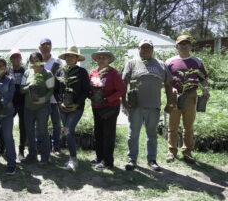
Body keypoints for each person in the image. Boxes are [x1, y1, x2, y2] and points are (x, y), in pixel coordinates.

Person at [122, 39, 174, 172]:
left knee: (152, 134)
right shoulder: (132, 63)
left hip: (154, 105)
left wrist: (170, 102)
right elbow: (123, 83)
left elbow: (168, 85)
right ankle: (132, 159)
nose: (145, 50)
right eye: (142, 47)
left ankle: (152, 160)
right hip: (135, 106)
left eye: (148, 47)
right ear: (138, 49)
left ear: (152, 49)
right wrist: (123, 100)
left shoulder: (161, 65)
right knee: (133, 133)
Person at [165, 35, 209, 163]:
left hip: (190, 96)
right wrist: (170, 89)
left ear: (190, 46)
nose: (184, 46)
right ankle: (171, 151)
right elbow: (165, 80)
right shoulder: (169, 62)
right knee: (172, 126)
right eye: (181, 44)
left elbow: (203, 78)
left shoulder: (197, 61)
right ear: (176, 46)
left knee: (188, 126)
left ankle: (187, 152)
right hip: (174, 96)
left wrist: (205, 89)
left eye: (187, 43)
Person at [54, 46, 89, 170]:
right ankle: (72, 158)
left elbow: (85, 91)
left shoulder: (82, 72)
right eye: (67, 56)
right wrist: (59, 103)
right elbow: (56, 90)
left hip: (76, 108)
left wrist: (77, 104)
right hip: (62, 108)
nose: (69, 58)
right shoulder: (60, 71)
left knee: (68, 130)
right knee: (68, 132)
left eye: (72, 56)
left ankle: (73, 159)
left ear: (77, 58)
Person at [89, 48, 124, 169]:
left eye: (104, 57)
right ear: (96, 59)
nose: (101, 59)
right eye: (99, 57)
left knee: (108, 134)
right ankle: (99, 158)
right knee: (98, 133)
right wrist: (90, 96)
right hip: (96, 107)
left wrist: (107, 99)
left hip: (110, 107)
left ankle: (108, 161)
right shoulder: (93, 72)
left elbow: (120, 91)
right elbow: (90, 88)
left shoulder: (113, 73)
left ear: (109, 59)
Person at [21, 52, 55, 164]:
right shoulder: (27, 73)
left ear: (41, 61)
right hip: (28, 108)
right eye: (32, 60)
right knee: (30, 132)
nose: (35, 62)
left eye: (37, 60)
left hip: (42, 107)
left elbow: (51, 91)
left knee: (42, 131)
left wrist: (44, 99)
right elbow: (21, 89)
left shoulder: (48, 73)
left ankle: (45, 157)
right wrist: (29, 86)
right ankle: (32, 155)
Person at [38, 38, 63, 154]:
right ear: (40, 48)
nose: (46, 47)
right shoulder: (36, 62)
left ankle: (56, 147)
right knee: (40, 124)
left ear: (51, 47)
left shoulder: (57, 62)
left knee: (56, 124)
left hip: (54, 99)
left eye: (48, 45)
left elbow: (61, 80)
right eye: (44, 45)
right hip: (41, 99)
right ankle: (41, 146)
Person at [7, 48, 27, 159]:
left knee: (23, 127)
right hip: (10, 103)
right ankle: (4, 148)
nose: (15, 59)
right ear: (10, 59)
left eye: (17, 57)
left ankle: (21, 150)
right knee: (6, 126)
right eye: (13, 57)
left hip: (23, 102)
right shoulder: (7, 70)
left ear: (20, 58)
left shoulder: (25, 70)